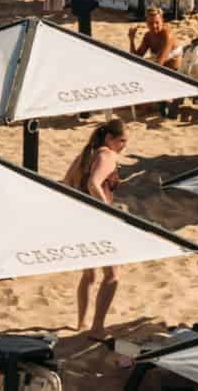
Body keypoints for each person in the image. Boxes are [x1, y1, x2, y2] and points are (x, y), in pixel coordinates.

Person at [63, 121, 127, 339]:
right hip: (97, 220)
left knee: (89, 275)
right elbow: (93, 183)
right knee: (112, 275)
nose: (124, 146)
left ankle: (81, 321)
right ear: (109, 138)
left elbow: (66, 183)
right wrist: (107, 211)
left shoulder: (85, 154)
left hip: (78, 220)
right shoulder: (106, 155)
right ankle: (97, 328)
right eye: (122, 140)